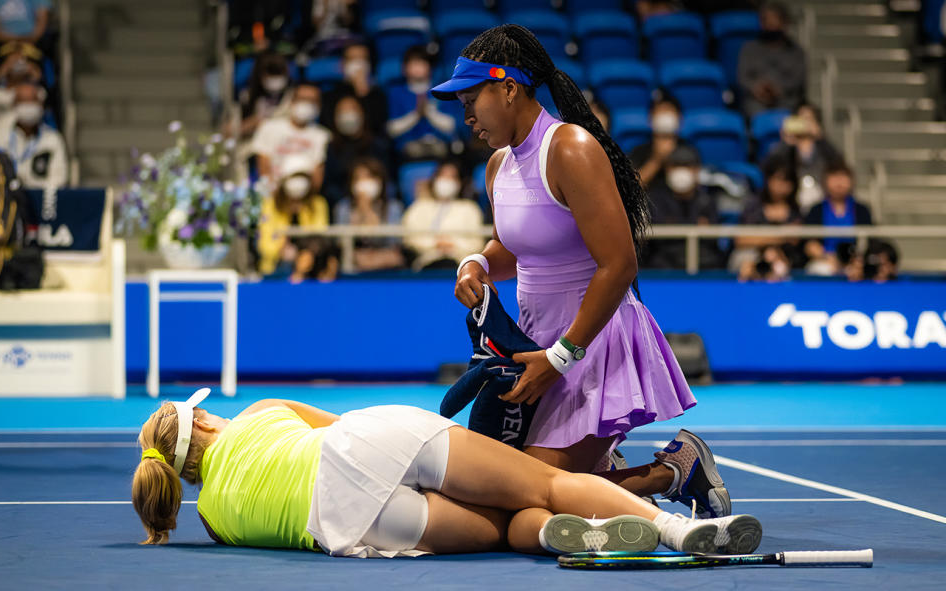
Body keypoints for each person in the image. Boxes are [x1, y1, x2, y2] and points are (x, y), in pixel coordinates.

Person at [431, 25, 729, 518]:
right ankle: (602, 463)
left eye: (471, 100)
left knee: (531, 499)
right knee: (505, 489)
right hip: (534, 344)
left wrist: (563, 356)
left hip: (590, 344)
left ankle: (675, 469)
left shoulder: (570, 147)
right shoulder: (497, 166)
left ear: (508, 87)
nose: (466, 118)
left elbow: (620, 264)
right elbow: (516, 246)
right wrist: (477, 261)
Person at [132, 388, 763, 557]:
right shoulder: (260, 414)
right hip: (369, 445)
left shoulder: (214, 520)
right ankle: (675, 531)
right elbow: (341, 423)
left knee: (502, 529)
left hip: (357, 525)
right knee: (539, 483)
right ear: (206, 426)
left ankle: (550, 537)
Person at [643, 145, 725, 270]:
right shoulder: (655, 199)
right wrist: (695, 226)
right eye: (676, 166)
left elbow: (713, 238)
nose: (681, 172)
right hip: (664, 264)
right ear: (667, 170)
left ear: (697, 170)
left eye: (687, 166)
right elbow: (656, 237)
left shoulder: (707, 200)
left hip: (703, 262)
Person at [401, 158, 485, 271]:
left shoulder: (470, 208)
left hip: (460, 264)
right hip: (425, 264)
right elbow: (409, 238)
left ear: (459, 183)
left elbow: (477, 243)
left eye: (452, 177)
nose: (446, 181)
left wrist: (453, 244)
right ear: (434, 180)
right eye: (442, 176)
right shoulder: (419, 207)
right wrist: (434, 244)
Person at [731, 151, 804, 280]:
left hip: (787, 261)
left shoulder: (796, 211)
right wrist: (781, 236)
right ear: (768, 180)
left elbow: (796, 241)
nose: (781, 185)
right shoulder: (754, 207)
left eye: (786, 181)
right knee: (745, 262)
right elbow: (741, 240)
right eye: (777, 179)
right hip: (753, 257)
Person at [256, 154, 330, 277]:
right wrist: (280, 249)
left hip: (311, 268)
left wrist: (302, 255)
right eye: (294, 177)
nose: (298, 183)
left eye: (302, 177)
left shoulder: (318, 203)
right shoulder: (270, 204)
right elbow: (264, 243)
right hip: (276, 268)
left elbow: (319, 235)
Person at [764, 102, 842, 214]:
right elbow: (771, 167)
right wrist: (786, 143)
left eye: (809, 119)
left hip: (821, 195)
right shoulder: (787, 147)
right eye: (802, 119)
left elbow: (837, 164)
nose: (805, 123)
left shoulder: (822, 146)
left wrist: (821, 139)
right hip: (792, 197)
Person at [250, 82, 331, 187]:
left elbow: (318, 176)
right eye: (302, 99)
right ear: (292, 101)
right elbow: (263, 167)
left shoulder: (322, 136)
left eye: (312, 101)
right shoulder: (269, 128)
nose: (306, 104)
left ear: (319, 106)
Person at [333, 157, 406, 272]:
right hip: (354, 264)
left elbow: (393, 241)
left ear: (380, 181)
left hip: (386, 264)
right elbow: (341, 243)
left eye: (369, 177)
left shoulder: (393, 207)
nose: (364, 183)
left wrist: (368, 211)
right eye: (358, 178)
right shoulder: (343, 208)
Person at [0, 82, 66, 189]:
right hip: (5, 195)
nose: (29, 107)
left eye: (33, 101)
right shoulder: (0, 133)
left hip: (39, 198)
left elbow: (59, 179)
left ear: (41, 105)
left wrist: (29, 186)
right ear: (14, 105)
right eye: (24, 101)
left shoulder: (52, 139)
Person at [736, 1, 807, 118]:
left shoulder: (797, 52)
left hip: (786, 101)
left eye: (774, 20)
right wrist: (757, 88)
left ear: (784, 22)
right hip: (756, 101)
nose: (770, 24)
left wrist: (778, 89)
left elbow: (798, 81)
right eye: (766, 20)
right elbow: (742, 77)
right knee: (754, 111)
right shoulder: (749, 48)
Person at [803, 159, 873, 276]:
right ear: (825, 181)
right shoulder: (816, 210)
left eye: (843, 177)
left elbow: (869, 242)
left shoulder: (862, 210)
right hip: (825, 262)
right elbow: (809, 243)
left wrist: (856, 262)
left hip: (855, 263)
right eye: (834, 177)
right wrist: (827, 258)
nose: (839, 182)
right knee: (820, 270)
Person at [387, 45, 457, 161]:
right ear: (404, 68)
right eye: (414, 63)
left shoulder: (441, 91)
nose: (418, 68)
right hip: (408, 148)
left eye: (422, 63)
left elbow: (450, 126)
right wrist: (416, 115)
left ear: (430, 67)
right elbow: (392, 129)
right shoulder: (396, 93)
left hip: (438, 146)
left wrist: (429, 113)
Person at [322, 92, 391, 207]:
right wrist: (350, 201)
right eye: (342, 112)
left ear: (362, 113)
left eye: (352, 110)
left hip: (377, 202)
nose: (347, 115)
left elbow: (387, 179)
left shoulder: (378, 145)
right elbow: (330, 185)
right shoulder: (332, 147)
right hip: (344, 205)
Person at [629, 93, 697, 189]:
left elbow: (696, 185)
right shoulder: (639, 151)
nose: (665, 114)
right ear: (650, 118)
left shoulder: (688, 149)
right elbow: (631, 188)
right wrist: (657, 160)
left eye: (669, 110)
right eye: (660, 111)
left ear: (679, 118)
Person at [320, 41, 388, 136]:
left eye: (363, 59)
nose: (358, 64)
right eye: (352, 59)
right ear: (342, 65)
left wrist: (362, 91)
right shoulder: (330, 95)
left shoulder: (378, 95)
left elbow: (377, 127)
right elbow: (328, 126)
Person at [236, 52, 292, 139]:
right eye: (271, 73)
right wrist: (253, 123)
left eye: (278, 73)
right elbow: (230, 130)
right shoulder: (247, 96)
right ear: (260, 75)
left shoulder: (291, 96)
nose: (275, 78)